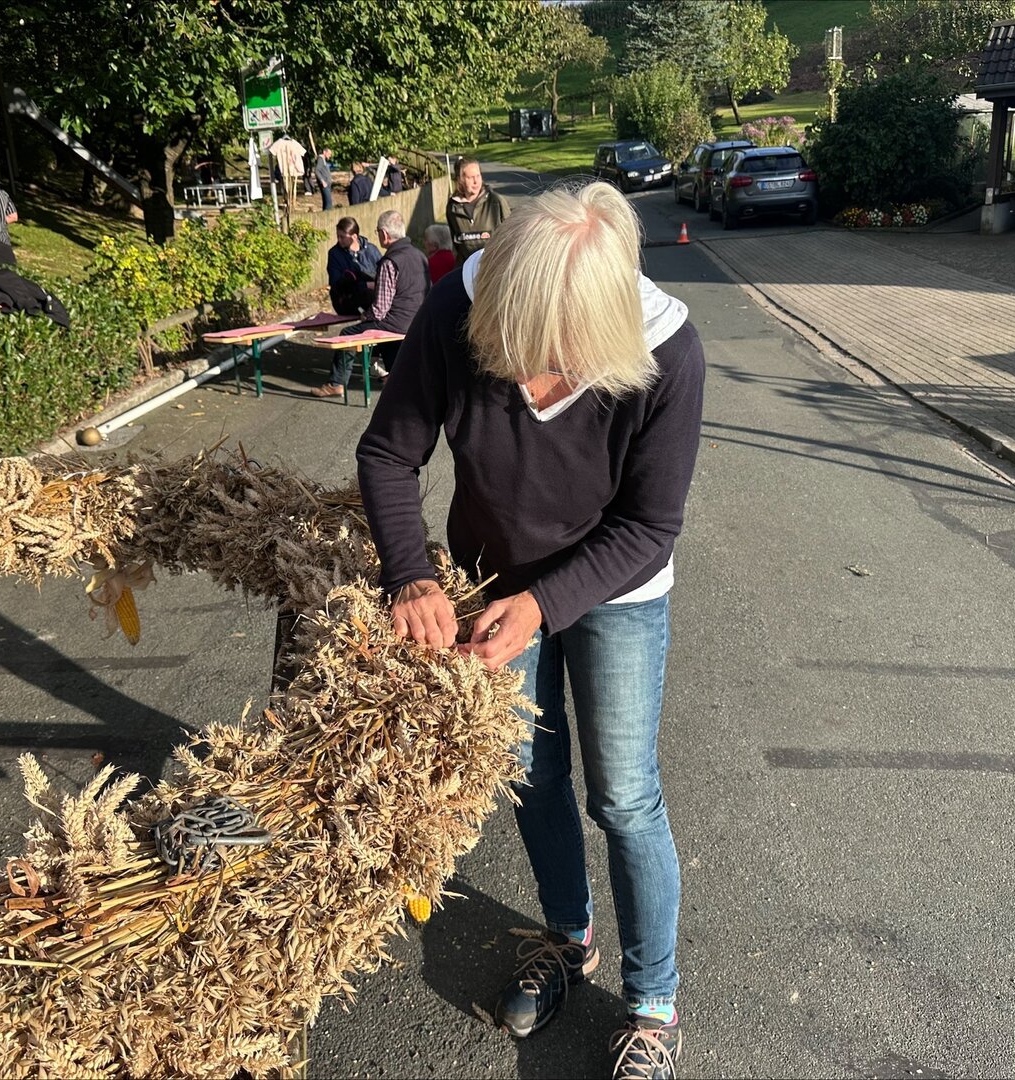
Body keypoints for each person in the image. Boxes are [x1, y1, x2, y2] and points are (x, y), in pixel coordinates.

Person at [355, 182, 703, 1080]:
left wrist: (545, 604)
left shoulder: (668, 352)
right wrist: (410, 575)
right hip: (492, 579)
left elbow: (649, 526)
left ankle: (652, 1001)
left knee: (623, 797)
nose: (518, 373)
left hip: (617, 587)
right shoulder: (457, 306)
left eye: (542, 352)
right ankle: (566, 937)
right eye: (504, 343)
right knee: (531, 772)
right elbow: (389, 452)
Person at [311, 209, 427, 398]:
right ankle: (395, 378)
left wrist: (367, 316)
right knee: (387, 338)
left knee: (348, 334)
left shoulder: (389, 262)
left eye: (378, 232)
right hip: (417, 319)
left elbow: (380, 310)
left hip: (395, 322)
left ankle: (336, 383)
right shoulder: (420, 255)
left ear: (384, 234)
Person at [446, 157, 510, 261]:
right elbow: (456, 244)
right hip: (467, 266)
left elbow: (511, 236)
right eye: (470, 177)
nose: (476, 181)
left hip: (494, 264)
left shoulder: (495, 202)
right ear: (460, 180)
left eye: (478, 176)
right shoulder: (453, 207)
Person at [327, 217, 383, 316]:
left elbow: (383, 272)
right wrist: (365, 285)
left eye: (342, 237)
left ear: (354, 237)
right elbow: (336, 284)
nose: (339, 240)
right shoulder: (334, 254)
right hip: (347, 299)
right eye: (338, 236)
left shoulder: (371, 250)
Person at [269, 132, 306, 205]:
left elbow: (272, 151)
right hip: (294, 168)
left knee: (286, 186)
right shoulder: (294, 143)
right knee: (293, 186)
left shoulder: (278, 143)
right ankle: (292, 201)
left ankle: (289, 200)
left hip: (284, 167)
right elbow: (303, 152)